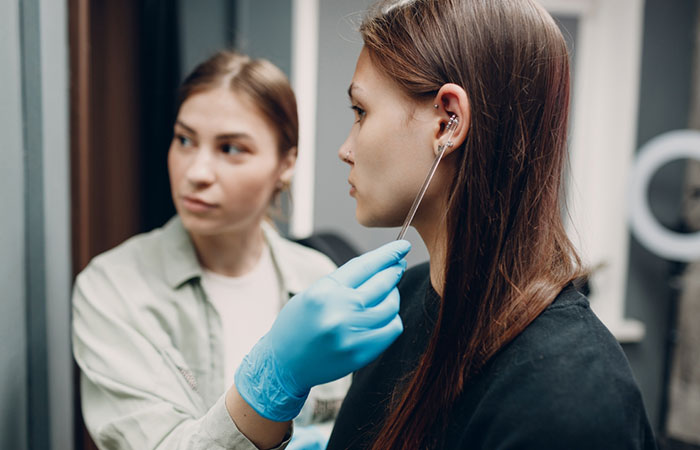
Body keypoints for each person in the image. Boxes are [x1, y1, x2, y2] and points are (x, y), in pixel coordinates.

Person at [325, 0, 658, 449]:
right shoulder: (400, 304)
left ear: (448, 121)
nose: (346, 148)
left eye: (361, 112)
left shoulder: (571, 398)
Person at [72, 50, 410, 450]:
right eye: (184, 140)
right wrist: (271, 383)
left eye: (231, 149)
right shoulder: (114, 289)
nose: (196, 173)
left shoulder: (319, 279)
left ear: (286, 163)